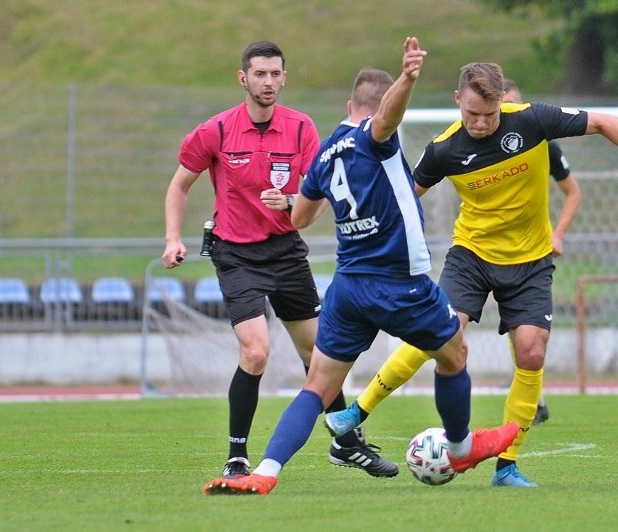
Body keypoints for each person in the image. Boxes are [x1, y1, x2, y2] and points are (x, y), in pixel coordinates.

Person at [325, 62, 618, 488]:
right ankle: (357, 411)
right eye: (473, 114)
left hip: (529, 261)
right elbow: (398, 198)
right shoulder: (443, 150)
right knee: (443, 332)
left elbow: (602, 121)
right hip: (471, 255)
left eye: (490, 115)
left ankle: (506, 466)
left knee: (531, 352)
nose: (481, 123)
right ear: (458, 101)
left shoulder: (530, 121)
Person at [203, 36, 519, 496]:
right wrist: (409, 78)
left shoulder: (325, 153)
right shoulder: (375, 137)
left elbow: (299, 218)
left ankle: (265, 472)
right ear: (374, 109)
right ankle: (460, 445)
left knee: (318, 386)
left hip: (347, 288)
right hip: (398, 282)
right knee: (454, 355)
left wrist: (301, 198)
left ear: (349, 102)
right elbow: (387, 119)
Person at [161, 39, 396, 487]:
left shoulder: (303, 129)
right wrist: (173, 238)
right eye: (259, 74)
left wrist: (290, 200)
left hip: (285, 252)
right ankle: (236, 457)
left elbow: (320, 194)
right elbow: (179, 185)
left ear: (284, 77)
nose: (268, 82)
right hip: (236, 254)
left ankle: (346, 443)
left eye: (275, 74)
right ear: (243, 78)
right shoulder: (217, 130)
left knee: (319, 356)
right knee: (256, 351)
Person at [502, 78, 583, 425]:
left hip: (532, 251)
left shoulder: (540, 143)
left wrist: (558, 234)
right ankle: (533, 397)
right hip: (488, 250)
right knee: (505, 324)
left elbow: (573, 193)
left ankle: (535, 397)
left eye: (516, 106)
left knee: (528, 327)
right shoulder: (474, 143)